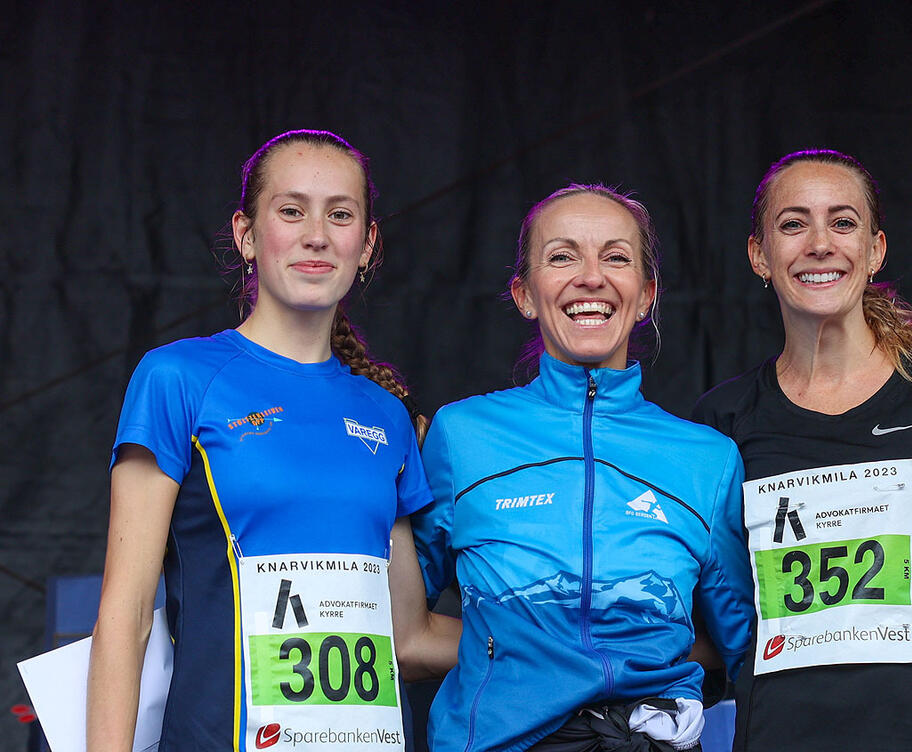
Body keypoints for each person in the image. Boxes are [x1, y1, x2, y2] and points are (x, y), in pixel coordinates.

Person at [87, 130, 459, 751]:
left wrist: (557, 641)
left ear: (366, 245)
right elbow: (122, 619)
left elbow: (406, 638)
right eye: (292, 210)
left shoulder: (388, 414)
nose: (317, 234)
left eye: (340, 215)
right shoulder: (178, 378)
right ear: (246, 233)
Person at [693, 149, 912, 751]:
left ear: (875, 249)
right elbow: (716, 620)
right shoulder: (722, 421)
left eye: (842, 222)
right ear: (759, 255)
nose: (819, 243)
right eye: (792, 224)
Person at [412, 184, 754, 751]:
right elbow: (398, 622)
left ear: (646, 295)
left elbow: (745, 646)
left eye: (616, 257)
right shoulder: (461, 435)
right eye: (563, 256)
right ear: (524, 292)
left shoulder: (707, 458)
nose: (591, 277)